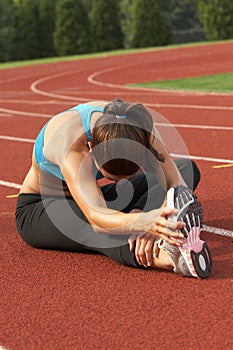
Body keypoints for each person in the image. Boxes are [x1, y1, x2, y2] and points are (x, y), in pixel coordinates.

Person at [15, 98, 212, 278]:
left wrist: (150, 219)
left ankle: (140, 222)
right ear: (92, 149)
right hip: (44, 207)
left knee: (187, 168)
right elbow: (96, 217)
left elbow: (177, 183)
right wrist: (143, 221)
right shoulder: (70, 143)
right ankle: (169, 258)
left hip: (96, 195)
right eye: (112, 177)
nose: (120, 182)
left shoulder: (139, 129)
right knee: (97, 228)